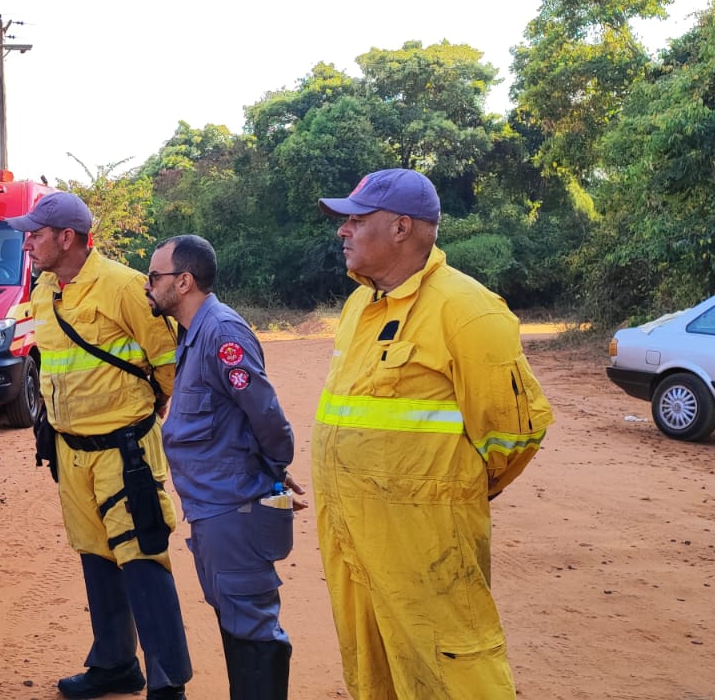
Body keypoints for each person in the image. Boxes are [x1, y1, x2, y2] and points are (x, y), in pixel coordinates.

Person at [313, 168, 553, 699]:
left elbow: (515, 436)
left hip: (427, 544)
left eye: (355, 219)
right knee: (373, 670)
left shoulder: (468, 310)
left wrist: (444, 490)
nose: (342, 231)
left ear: (401, 228)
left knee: (455, 672)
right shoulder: (359, 306)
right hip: (353, 536)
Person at [13, 192, 192, 700]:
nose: (27, 242)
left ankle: (167, 681)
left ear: (66, 238)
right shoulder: (46, 289)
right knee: (96, 557)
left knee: (142, 557)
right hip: (71, 453)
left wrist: (149, 415)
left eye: (35, 233)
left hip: (125, 453)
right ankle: (115, 664)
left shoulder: (124, 286)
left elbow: (169, 365)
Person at [146, 235, 304, 700]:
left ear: (184, 281)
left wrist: (274, 468)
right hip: (214, 505)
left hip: (234, 505)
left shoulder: (222, 334)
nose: (148, 286)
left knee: (251, 625)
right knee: (234, 619)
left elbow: (267, 415)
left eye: (155, 277)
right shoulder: (195, 333)